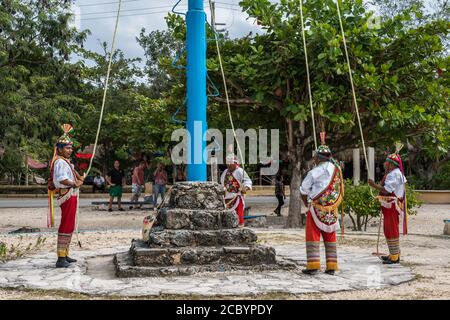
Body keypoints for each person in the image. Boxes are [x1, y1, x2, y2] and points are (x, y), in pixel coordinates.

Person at [299, 134, 344, 275]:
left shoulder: (315, 172)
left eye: (316, 157)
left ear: (318, 158)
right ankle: (332, 266)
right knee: (330, 235)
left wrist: (306, 203)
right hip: (332, 207)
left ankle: (313, 265)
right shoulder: (337, 169)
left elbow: (303, 190)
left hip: (317, 207)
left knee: (313, 235)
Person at [49, 124, 84, 268]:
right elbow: (62, 179)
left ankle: (65, 253)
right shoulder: (60, 162)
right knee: (66, 224)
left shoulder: (65, 162)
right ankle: (60, 257)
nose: (70, 150)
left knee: (70, 225)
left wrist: (77, 179)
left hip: (70, 195)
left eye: (71, 148)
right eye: (67, 148)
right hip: (67, 195)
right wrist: (74, 184)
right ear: (60, 149)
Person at [368, 150, 407, 264]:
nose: (384, 164)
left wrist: (373, 185)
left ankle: (394, 256)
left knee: (391, 230)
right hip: (390, 206)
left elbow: (386, 190)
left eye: (386, 162)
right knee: (389, 229)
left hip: (392, 206)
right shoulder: (394, 173)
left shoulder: (394, 174)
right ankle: (393, 254)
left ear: (391, 164)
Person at [220, 154, 252, 227]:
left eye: (230, 163)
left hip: (237, 197)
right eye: (227, 163)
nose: (228, 165)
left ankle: (240, 226)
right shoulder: (225, 172)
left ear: (235, 163)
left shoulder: (240, 171)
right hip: (227, 197)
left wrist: (245, 188)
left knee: (239, 213)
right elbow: (222, 183)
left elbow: (248, 181)